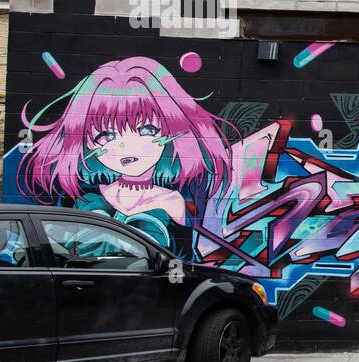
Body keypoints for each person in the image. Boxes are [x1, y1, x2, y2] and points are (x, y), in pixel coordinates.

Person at [18, 56, 233, 260]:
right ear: (86, 143)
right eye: (106, 135)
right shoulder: (85, 201)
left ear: (172, 131)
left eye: (146, 129)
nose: (125, 145)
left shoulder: (175, 205)